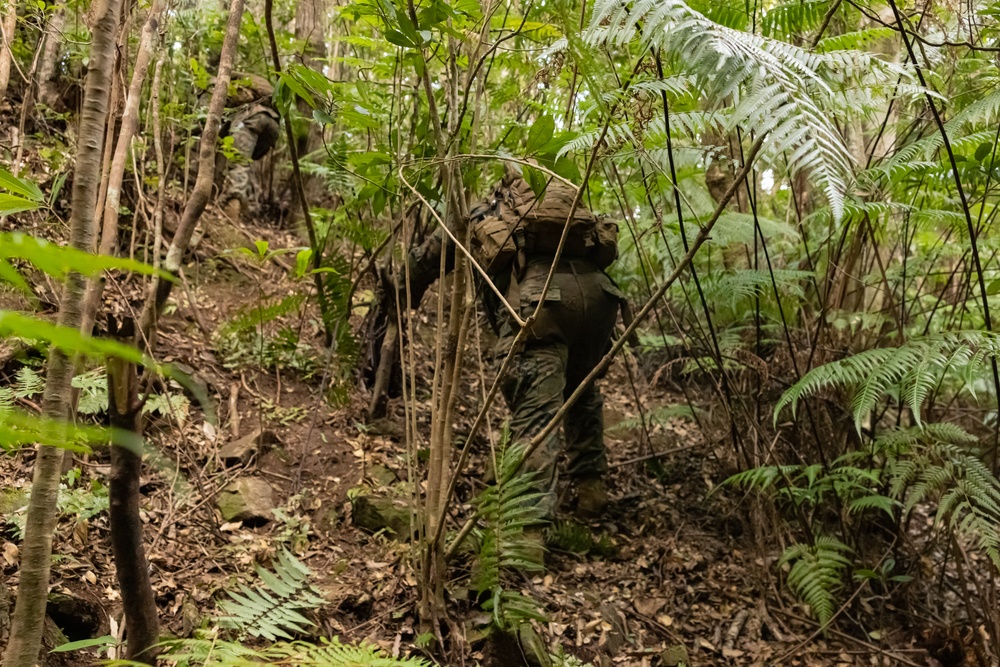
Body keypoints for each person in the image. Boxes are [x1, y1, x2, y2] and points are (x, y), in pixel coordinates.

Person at [402, 166, 624, 519]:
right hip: (599, 303)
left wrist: (402, 284)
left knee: (536, 412)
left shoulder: (485, 213)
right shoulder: (570, 218)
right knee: (582, 393)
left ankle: (527, 535)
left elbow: (429, 257)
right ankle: (590, 491)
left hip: (542, 307)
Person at [209, 72, 281, 220]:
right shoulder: (256, 83)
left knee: (237, 163)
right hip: (272, 123)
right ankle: (236, 205)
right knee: (240, 161)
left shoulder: (222, 82)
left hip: (251, 118)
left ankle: (232, 211)